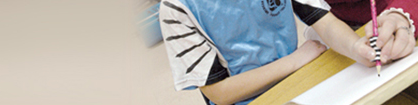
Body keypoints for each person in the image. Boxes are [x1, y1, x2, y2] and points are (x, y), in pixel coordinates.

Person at [158, 0, 415, 105]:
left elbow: (322, 21)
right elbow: (218, 92)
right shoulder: (177, 8)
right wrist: (295, 61)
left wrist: (356, 48)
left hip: (301, 84)